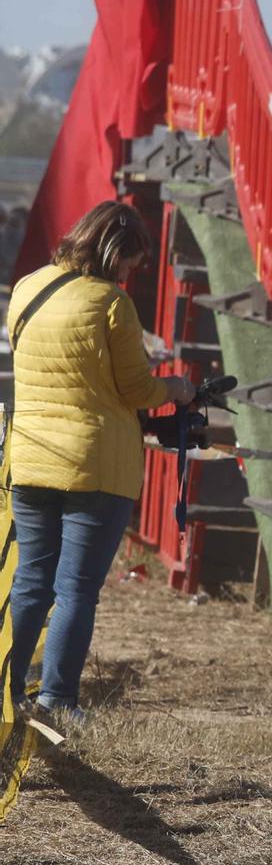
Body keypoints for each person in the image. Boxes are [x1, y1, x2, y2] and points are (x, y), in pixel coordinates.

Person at [6, 201, 194, 727]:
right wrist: (175, 388)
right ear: (115, 252)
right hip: (96, 468)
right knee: (76, 590)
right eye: (131, 264)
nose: (131, 274)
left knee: (30, 583)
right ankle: (58, 700)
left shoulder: (26, 288)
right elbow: (136, 389)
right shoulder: (111, 303)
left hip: (32, 458)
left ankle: (9, 689)